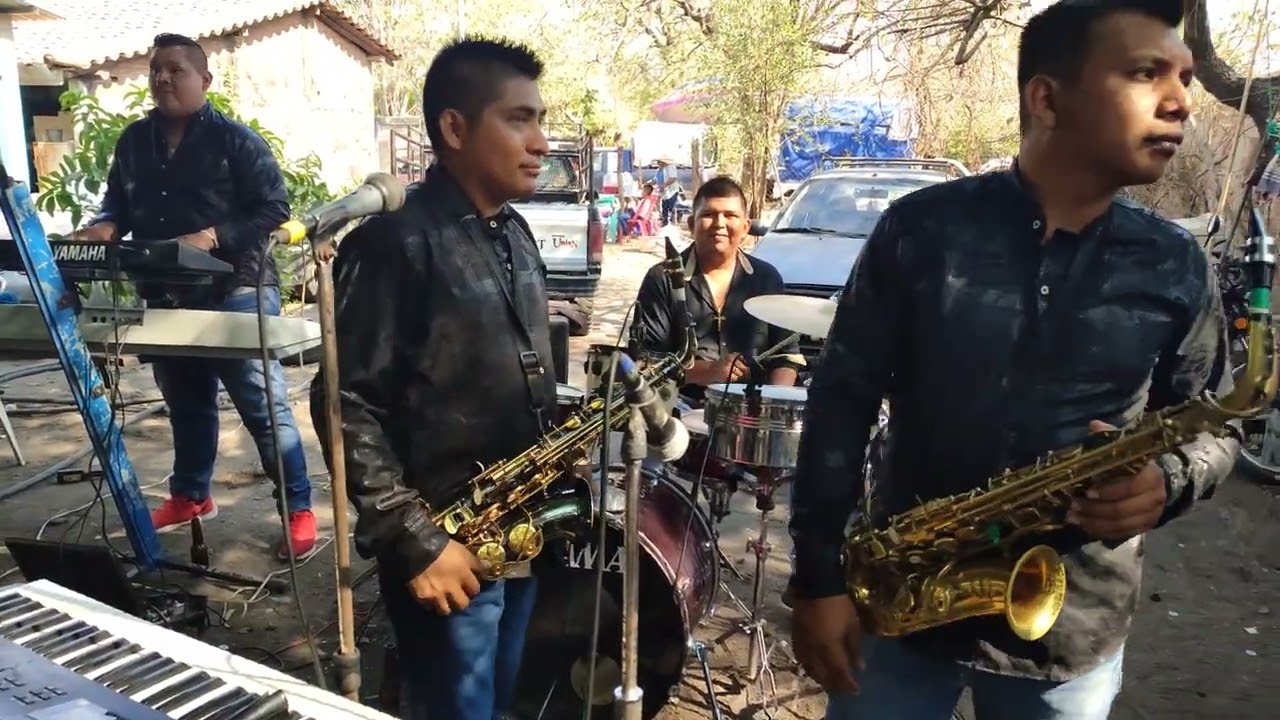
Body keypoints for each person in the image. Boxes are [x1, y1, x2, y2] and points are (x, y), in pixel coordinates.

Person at [788, 3, 1238, 719]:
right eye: (1146, 73)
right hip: (902, 606)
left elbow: (1215, 423)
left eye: (1183, 75)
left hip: (1073, 634)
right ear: (1047, 99)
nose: (1182, 100)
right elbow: (840, 403)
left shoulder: (1177, 264)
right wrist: (816, 580)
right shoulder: (923, 230)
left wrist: (1169, 480)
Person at [311, 37, 554, 720]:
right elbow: (341, 402)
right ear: (454, 128)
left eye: (540, 119)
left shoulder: (517, 235)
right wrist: (417, 544)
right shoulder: (394, 242)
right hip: (445, 550)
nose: (540, 140)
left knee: (499, 706)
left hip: (515, 533)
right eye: (519, 119)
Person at [70, 33, 315, 559]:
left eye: (176, 70)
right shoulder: (134, 141)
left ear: (204, 80)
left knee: (263, 403)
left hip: (237, 288)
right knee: (185, 400)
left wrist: (213, 236)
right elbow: (116, 203)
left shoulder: (237, 142)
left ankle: (297, 508)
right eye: (157, 70)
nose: (163, 78)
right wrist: (104, 226)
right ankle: (190, 496)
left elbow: (274, 210)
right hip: (165, 290)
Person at [630, 175, 802, 404]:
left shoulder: (767, 279)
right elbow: (646, 364)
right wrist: (709, 371)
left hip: (750, 414)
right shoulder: (662, 278)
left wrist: (771, 404)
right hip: (679, 409)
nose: (719, 223)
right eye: (709, 215)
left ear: (745, 227)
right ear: (692, 224)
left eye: (730, 216)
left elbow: (787, 357)